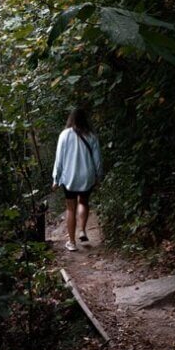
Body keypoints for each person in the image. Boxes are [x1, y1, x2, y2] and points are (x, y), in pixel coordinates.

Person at [52, 108, 103, 251]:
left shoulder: (64, 135)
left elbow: (59, 159)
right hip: (87, 176)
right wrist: (99, 176)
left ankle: (72, 243)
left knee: (70, 208)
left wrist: (56, 178)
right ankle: (82, 230)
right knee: (84, 202)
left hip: (69, 177)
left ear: (71, 119)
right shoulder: (91, 136)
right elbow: (97, 159)